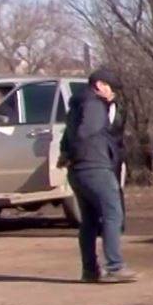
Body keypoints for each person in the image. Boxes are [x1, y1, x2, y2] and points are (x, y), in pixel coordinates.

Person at [63, 69, 135, 283]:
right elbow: (88, 131)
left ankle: (89, 269)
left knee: (89, 220)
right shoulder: (94, 104)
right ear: (100, 85)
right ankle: (115, 266)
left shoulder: (76, 105)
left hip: (78, 169)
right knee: (113, 214)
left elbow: (70, 136)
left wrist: (68, 153)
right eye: (111, 88)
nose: (113, 94)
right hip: (95, 166)